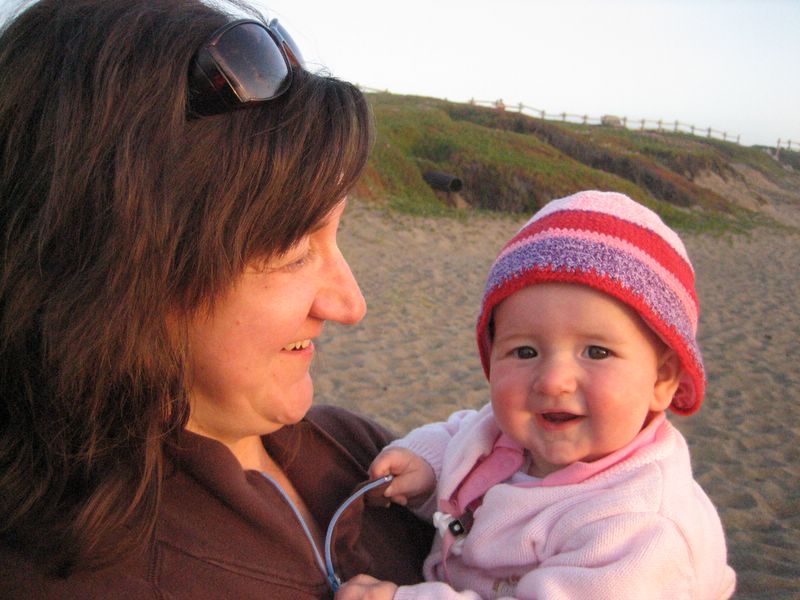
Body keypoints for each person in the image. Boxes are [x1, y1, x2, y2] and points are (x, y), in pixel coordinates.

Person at [0, 1, 432, 598]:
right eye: (291, 250)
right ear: (115, 271)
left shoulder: (380, 456)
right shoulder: (82, 574)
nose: (350, 305)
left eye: (338, 232)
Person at [336, 191, 737, 600]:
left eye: (596, 352)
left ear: (662, 379)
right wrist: (428, 468)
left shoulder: (641, 529)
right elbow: (461, 435)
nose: (553, 381)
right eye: (525, 352)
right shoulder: (506, 434)